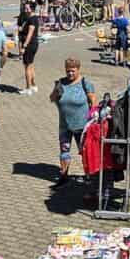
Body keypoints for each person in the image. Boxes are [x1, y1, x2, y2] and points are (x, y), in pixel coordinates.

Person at [50, 58, 96, 187]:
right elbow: (52, 99)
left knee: (84, 152)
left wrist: (93, 120)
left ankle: (89, 175)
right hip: (65, 125)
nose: (70, 73)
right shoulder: (61, 82)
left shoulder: (85, 83)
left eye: (73, 71)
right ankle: (64, 176)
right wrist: (56, 91)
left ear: (78, 69)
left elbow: (93, 102)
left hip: (82, 126)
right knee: (64, 150)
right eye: (68, 71)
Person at [17, 1, 41, 95]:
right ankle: (33, 85)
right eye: (25, 8)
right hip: (33, 44)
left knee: (27, 66)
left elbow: (30, 33)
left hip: (30, 45)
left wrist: (24, 46)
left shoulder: (32, 19)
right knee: (31, 65)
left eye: (27, 8)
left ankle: (28, 87)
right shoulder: (32, 18)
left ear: (32, 9)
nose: (26, 10)